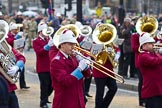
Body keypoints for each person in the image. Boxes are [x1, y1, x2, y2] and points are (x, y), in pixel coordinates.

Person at [50, 29, 90, 108]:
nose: (73, 47)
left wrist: (85, 65)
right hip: (65, 101)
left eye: (74, 44)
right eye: (70, 44)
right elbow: (65, 81)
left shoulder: (72, 58)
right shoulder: (56, 61)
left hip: (77, 99)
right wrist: (79, 68)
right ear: (62, 45)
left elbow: (87, 75)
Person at [138, 32, 162, 108]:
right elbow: (156, 61)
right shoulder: (142, 56)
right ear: (144, 45)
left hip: (159, 88)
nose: (153, 45)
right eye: (151, 43)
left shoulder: (153, 53)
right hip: (152, 90)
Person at [32, 22, 53, 108]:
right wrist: (47, 46)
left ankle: (45, 97)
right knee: (44, 85)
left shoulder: (48, 39)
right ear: (40, 32)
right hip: (42, 67)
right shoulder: (36, 41)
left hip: (51, 66)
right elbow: (39, 52)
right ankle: (43, 102)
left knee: (52, 85)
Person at [6, 22, 30, 90]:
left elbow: (22, 43)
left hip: (18, 52)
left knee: (21, 69)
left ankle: (23, 84)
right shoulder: (8, 35)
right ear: (12, 29)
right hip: (11, 54)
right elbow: (8, 42)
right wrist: (15, 37)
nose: (17, 30)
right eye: (15, 29)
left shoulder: (19, 34)